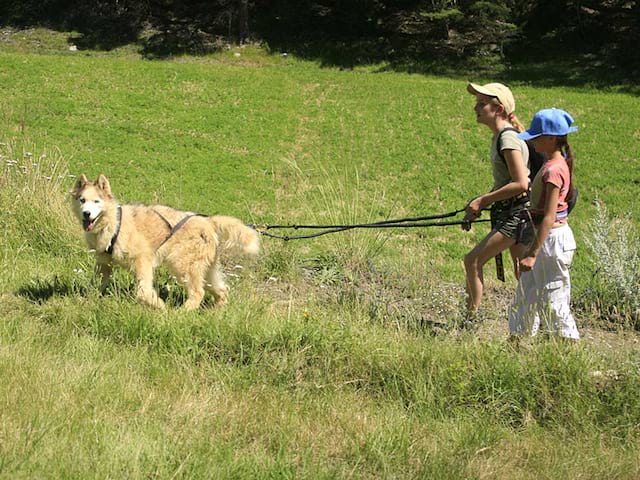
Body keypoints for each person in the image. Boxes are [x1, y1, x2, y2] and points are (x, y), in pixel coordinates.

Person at [462, 82, 532, 321]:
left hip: (515, 215)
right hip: (513, 212)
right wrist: (479, 204)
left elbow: (521, 183)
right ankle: (531, 321)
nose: (476, 108)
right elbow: (507, 182)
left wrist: (482, 200)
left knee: (472, 260)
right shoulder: (501, 137)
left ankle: (470, 320)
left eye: (482, 104)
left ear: (499, 109)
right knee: (522, 271)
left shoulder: (507, 139)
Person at [508, 108, 580, 340]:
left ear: (551, 139)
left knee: (554, 298)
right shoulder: (555, 162)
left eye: (536, 137)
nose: (532, 141)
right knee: (526, 293)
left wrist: (532, 253)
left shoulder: (553, 171)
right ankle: (516, 343)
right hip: (542, 238)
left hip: (550, 242)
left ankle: (568, 349)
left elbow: (549, 216)